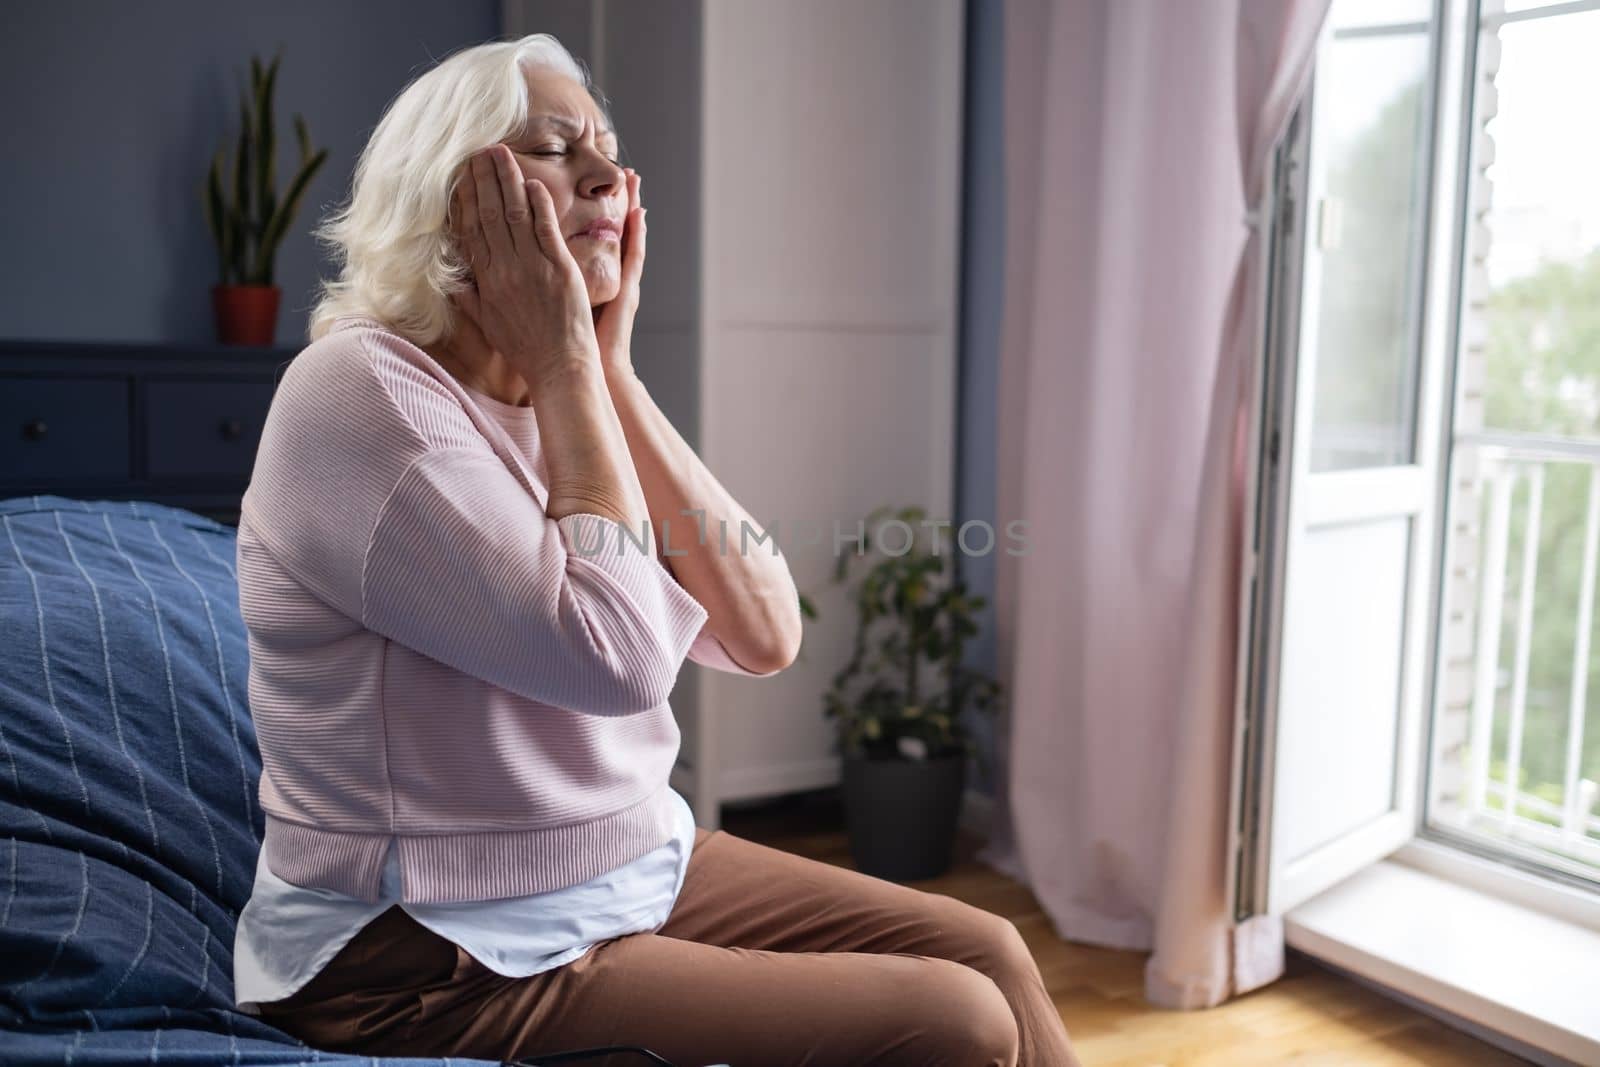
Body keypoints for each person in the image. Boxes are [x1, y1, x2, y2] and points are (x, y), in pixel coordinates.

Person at [232, 30, 1085, 1067]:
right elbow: (616, 657)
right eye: (555, 148)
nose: (609, 176)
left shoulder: (562, 399)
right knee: (955, 1023)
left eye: (609, 148)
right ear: (456, 201)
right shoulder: (362, 397)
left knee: (990, 946)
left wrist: (609, 371)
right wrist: (565, 362)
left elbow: (767, 631)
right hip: (426, 945)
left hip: (631, 863)